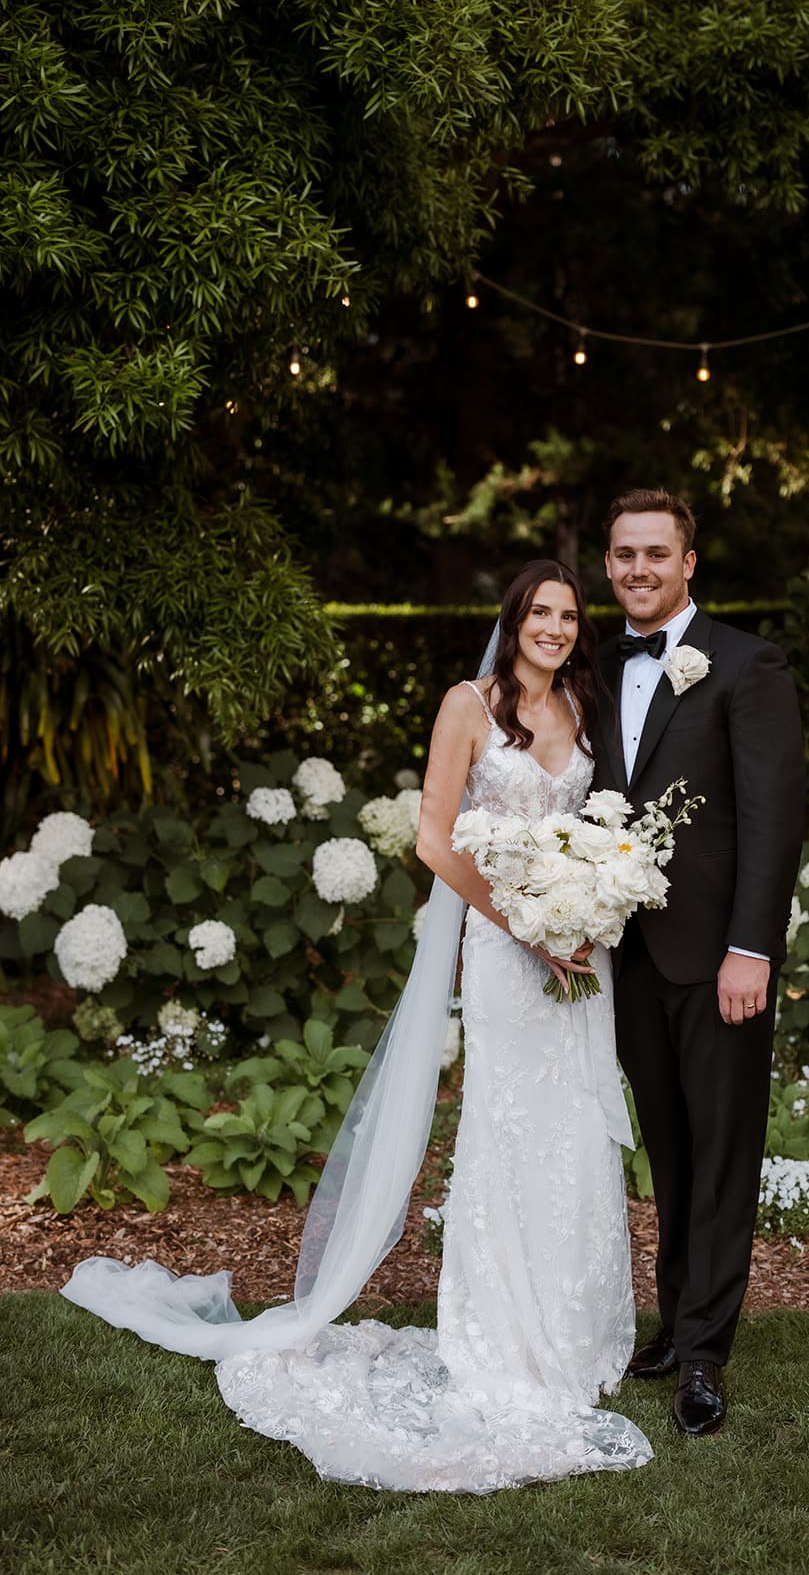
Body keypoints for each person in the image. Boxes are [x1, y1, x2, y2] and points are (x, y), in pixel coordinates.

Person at [60, 558, 651, 1494]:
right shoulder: (470, 703)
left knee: (577, 1130)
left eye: (570, 615)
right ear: (513, 618)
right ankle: (500, 1338)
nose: (556, 628)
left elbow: (598, 827)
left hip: (583, 952)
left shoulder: (587, 704)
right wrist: (528, 930)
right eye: (541, 613)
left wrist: (583, 912)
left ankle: (576, 1338)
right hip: (508, 954)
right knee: (507, 1133)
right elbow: (433, 838)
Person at [591, 487, 805, 1438]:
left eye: (655, 553)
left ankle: (705, 1357)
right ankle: (673, 1325)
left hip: (719, 957)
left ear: (687, 564)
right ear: (608, 565)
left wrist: (749, 948)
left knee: (721, 1153)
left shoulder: (746, 665)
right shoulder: (593, 667)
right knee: (668, 1151)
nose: (638, 568)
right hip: (626, 956)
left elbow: (772, 817)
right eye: (623, 554)